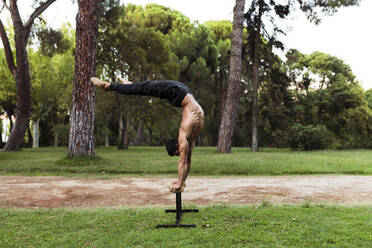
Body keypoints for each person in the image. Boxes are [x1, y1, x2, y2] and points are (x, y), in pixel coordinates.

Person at [91, 77, 204, 193]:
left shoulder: (186, 136)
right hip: (182, 92)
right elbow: (186, 162)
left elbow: (185, 162)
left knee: (145, 88)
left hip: (182, 92)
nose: (180, 154)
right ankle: (118, 85)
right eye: (178, 153)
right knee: (145, 88)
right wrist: (181, 182)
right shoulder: (187, 137)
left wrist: (180, 183)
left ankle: (117, 85)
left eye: (177, 153)